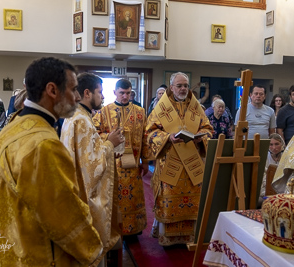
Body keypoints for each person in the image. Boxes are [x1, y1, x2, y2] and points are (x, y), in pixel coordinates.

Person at [0, 57, 104, 266]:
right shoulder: (43, 145)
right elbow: (63, 216)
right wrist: (93, 250)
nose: (78, 97)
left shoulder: (12, 125)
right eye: (73, 90)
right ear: (53, 91)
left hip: (16, 245)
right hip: (43, 253)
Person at [61, 73, 124, 265]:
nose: (103, 97)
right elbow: (91, 167)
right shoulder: (82, 121)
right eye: (100, 92)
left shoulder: (76, 115)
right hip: (83, 197)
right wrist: (110, 144)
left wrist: (104, 142)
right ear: (87, 93)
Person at [145, 72, 213, 246]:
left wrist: (201, 137)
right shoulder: (161, 108)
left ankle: (191, 237)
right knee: (169, 200)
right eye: (179, 86)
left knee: (194, 201)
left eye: (185, 86)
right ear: (171, 87)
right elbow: (150, 133)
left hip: (192, 162)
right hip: (170, 162)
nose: (183, 89)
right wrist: (168, 137)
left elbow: (208, 129)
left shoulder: (196, 107)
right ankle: (168, 239)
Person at [93, 78, 149, 236]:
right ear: (115, 92)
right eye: (122, 93)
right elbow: (95, 133)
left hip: (134, 164)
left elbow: (145, 137)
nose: (125, 96)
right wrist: (110, 137)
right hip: (114, 164)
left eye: (128, 93)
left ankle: (134, 229)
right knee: (116, 197)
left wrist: (145, 161)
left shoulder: (140, 111)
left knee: (133, 197)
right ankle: (117, 228)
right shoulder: (104, 111)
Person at [259, 133, 285, 199]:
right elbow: (263, 175)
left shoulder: (286, 157)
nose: (274, 147)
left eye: (277, 144)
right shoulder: (265, 157)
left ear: (282, 144)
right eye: (271, 145)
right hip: (267, 185)